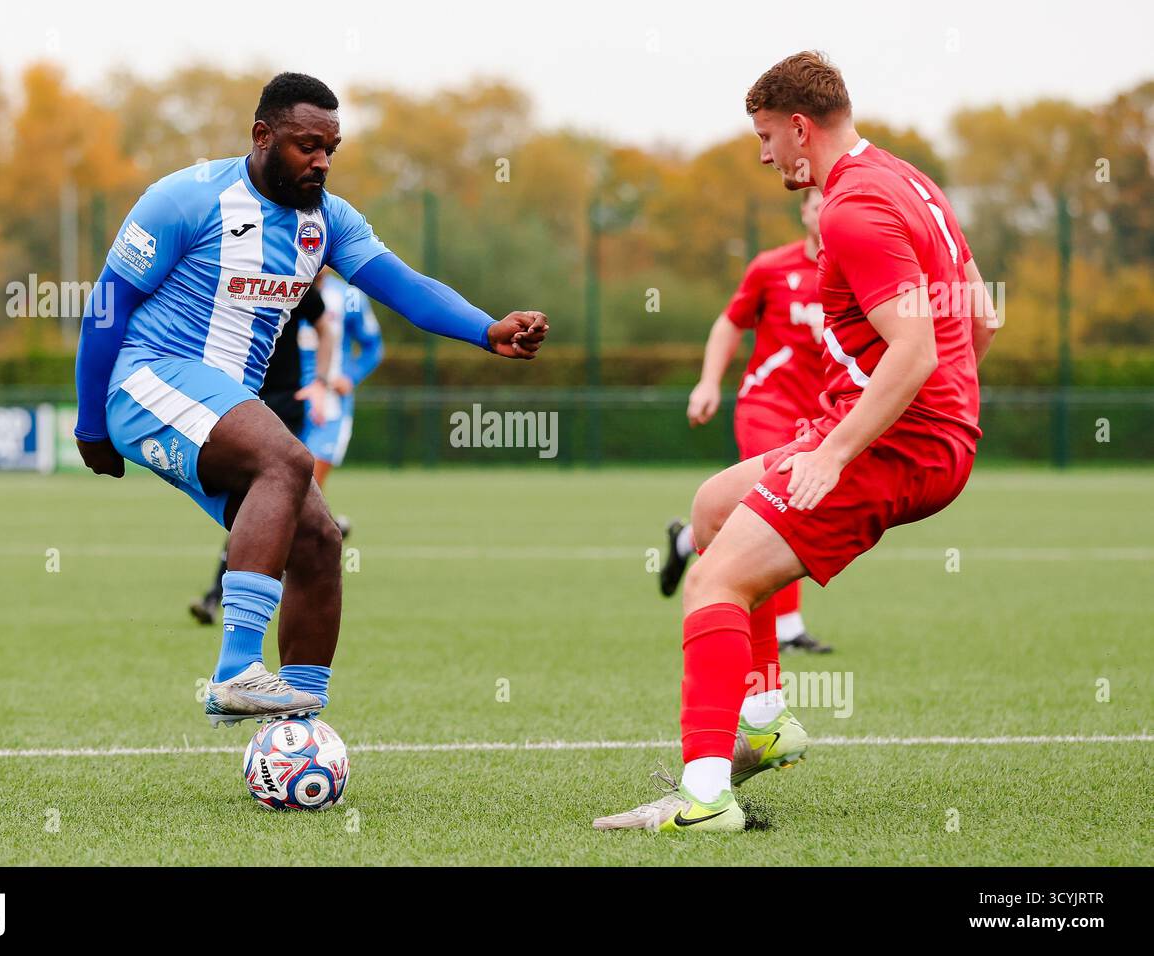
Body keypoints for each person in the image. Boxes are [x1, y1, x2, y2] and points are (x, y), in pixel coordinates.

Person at [595, 51, 997, 832]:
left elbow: (913, 352)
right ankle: (766, 719)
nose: (764, 154)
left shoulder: (849, 209)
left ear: (801, 127)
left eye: (767, 136)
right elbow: (978, 314)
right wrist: (950, 404)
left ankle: (704, 801)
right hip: (914, 430)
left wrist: (837, 451)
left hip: (895, 443)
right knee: (712, 508)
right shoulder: (913, 181)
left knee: (712, 583)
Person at [74, 71, 548, 727]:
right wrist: (90, 425)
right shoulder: (183, 199)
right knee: (289, 461)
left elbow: (405, 286)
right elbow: (105, 309)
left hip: (224, 406)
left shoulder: (328, 221)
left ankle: (297, 730)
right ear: (262, 136)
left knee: (320, 540)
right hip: (149, 381)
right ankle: (236, 669)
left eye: (331, 147)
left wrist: (487, 329)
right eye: (305, 145)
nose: (320, 161)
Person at [660, 186, 832, 653]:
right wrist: (708, 383)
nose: (825, 211)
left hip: (823, 417)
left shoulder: (853, 272)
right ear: (804, 213)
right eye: (817, 204)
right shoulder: (771, 268)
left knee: (759, 508)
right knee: (781, 501)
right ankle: (788, 627)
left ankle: (685, 544)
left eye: (833, 202)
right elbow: (730, 322)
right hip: (767, 405)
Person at [186, 282, 334, 626]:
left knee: (262, 500)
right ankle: (243, 586)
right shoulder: (228, 274)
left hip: (284, 403)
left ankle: (220, 595)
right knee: (260, 503)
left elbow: (326, 330)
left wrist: (322, 382)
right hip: (237, 401)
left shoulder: (293, 281)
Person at [297, 269, 384, 504]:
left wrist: (350, 376)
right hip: (284, 400)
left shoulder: (349, 297)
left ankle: (321, 532)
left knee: (308, 484)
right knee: (278, 480)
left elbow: (373, 346)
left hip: (329, 405)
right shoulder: (278, 290)